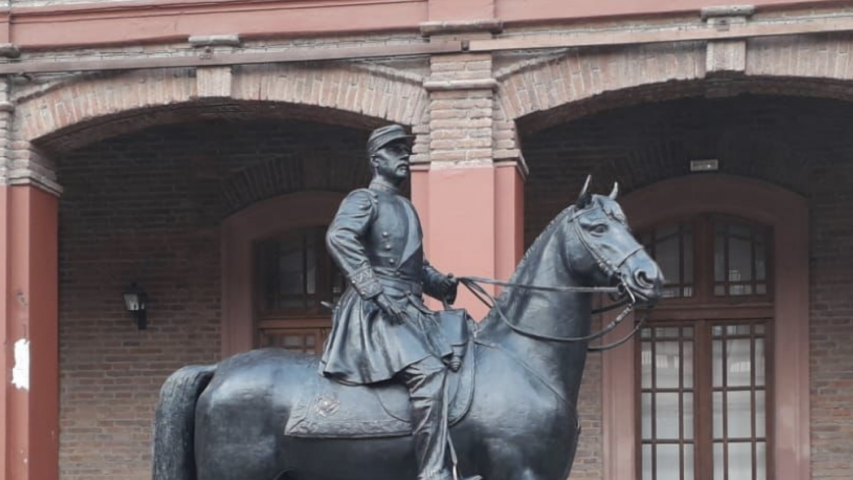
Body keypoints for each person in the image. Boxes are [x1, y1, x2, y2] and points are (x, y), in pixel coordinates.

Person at [320, 124, 480, 480]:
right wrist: (372, 288)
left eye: (405, 150)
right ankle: (433, 473)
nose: (404, 156)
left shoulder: (406, 208)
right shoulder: (364, 199)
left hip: (410, 310)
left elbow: (414, 266)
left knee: (462, 362)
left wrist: (442, 284)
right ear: (377, 160)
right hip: (375, 312)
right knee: (428, 372)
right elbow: (339, 236)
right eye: (395, 151)